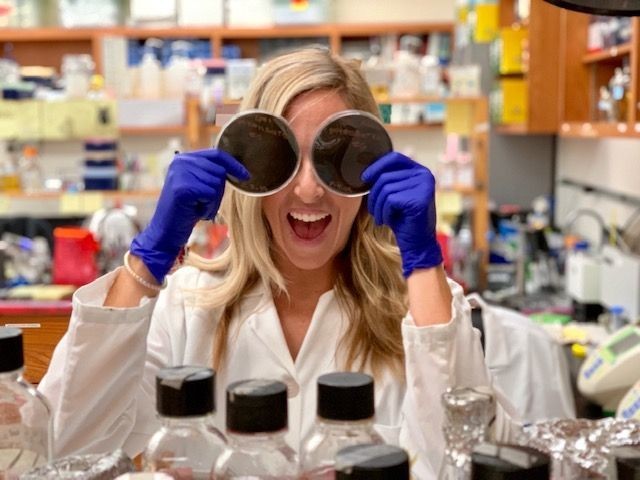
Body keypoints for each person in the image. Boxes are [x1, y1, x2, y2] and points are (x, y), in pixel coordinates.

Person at [38, 47, 515, 478]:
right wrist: (147, 261)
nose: (308, 190)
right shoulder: (187, 309)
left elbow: (473, 462)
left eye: (336, 159)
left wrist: (423, 264)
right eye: (283, 159)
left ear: (370, 172)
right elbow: (66, 450)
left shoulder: (423, 311)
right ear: (249, 171)